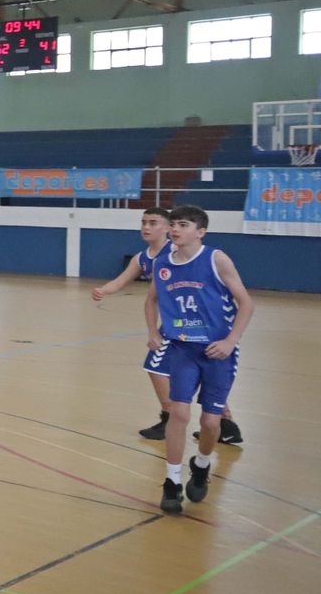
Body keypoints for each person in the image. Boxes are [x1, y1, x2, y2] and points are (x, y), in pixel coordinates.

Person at [94, 207, 243, 444]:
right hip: (178, 323)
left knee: (155, 366)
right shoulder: (143, 258)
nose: (146, 227)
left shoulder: (177, 251)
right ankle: (226, 424)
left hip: (197, 325)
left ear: (167, 227)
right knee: (197, 372)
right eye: (143, 222)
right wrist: (103, 290)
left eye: (153, 223)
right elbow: (122, 280)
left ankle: (170, 418)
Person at [147, 205, 255, 514]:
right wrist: (153, 332)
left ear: (200, 231)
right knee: (178, 414)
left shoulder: (216, 259)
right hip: (182, 350)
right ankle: (171, 481)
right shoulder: (163, 263)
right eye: (174, 225)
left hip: (217, 352)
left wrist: (230, 341)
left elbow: (246, 303)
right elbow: (150, 300)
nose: (175, 229)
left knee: (210, 422)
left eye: (183, 225)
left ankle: (202, 463)